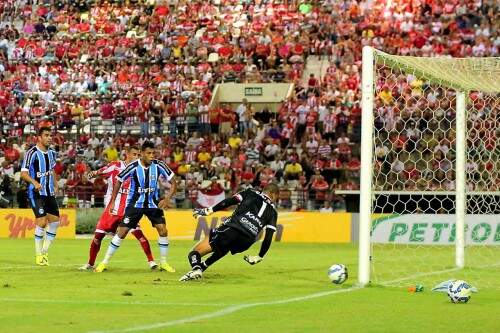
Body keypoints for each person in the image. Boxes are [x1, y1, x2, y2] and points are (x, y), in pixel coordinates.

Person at [94, 141, 177, 273]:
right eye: (148, 153)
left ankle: (164, 262)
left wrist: (167, 199)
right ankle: (104, 262)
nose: (151, 156)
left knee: (163, 231)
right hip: (135, 205)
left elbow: (173, 182)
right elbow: (119, 181)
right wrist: (113, 201)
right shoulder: (133, 166)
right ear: (142, 154)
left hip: (152, 204)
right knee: (121, 232)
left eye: (153, 153)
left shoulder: (159, 165)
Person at [179, 183, 279, 282]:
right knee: (224, 248)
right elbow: (268, 237)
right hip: (247, 241)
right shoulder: (273, 212)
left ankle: (196, 269)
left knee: (195, 252)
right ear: (273, 194)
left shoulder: (250, 192)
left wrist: (209, 210)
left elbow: (231, 201)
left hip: (233, 229)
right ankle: (202, 267)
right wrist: (260, 256)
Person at [79, 145, 157, 271]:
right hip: (112, 210)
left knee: (139, 235)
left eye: (139, 155)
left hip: (129, 210)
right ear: (127, 154)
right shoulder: (115, 166)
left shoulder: (140, 170)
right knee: (98, 237)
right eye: (134, 154)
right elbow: (97, 173)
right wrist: (91, 174)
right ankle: (90, 263)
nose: (137, 157)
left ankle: (152, 262)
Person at [20, 127, 60, 266]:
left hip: (49, 192)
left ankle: (44, 252)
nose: (50, 138)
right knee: (42, 222)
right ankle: (38, 255)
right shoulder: (32, 153)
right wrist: (35, 182)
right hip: (35, 192)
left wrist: (56, 184)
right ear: (39, 137)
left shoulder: (52, 153)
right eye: (46, 135)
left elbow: (52, 170)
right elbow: (23, 173)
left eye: (50, 135)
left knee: (55, 222)